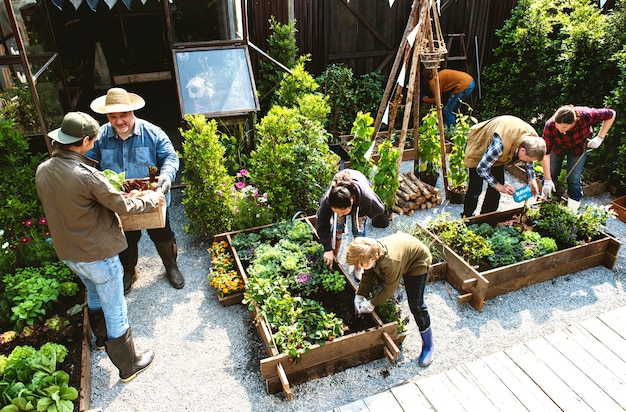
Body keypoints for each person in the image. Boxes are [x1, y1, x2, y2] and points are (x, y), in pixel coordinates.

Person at [36, 111, 163, 382]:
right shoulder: (86, 175)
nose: (95, 142)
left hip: (70, 253)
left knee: (93, 293)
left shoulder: (44, 169)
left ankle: (102, 339)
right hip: (97, 254)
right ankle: (129, 365)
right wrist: (151, 200)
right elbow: (123, 204)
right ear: (83, 141)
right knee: (115, 306)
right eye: (93, 139)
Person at [87, 87, 184, 293]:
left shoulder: (152, 132)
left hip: (150, 196)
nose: (119, 121)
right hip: (119, 199)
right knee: (125, 238)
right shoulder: (100, 136)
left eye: (123, 115)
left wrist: (166, 176)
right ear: (107, 116)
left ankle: (171, 266)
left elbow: (170, 157)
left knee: (161, 233)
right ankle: (130, 271)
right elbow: (88, 163)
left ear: (132, 112)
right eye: (113, 117)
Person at [346, 233, 434, 366]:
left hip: (417, 261)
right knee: (377, 278)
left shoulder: (390, 262)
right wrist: (360, 295)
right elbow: (367, 276)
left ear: (372, 259)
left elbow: (389, 290)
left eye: (360, 264)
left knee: (416, 305)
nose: (359, 266)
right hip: (402, 254)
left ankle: (428, 345)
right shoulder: (370, 253)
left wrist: (371, 303)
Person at [463, 115, 546, 217]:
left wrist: (532, 180)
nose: (528, 162)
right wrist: (500, 187)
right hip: (479, 146)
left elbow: (529, 160)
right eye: (528, 160)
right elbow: (482, 168)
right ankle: (467, 217)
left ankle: (487, 216)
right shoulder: (499, 146)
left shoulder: (532, 140)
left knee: (496, 186)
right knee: (475, 188)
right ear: (522, 150)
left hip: (499, 151)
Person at [541, 105, 616, 211]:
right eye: (557, 126)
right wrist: (548, 180)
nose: (559, 130)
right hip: (557, 147)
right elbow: (546, 154)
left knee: (574, 178)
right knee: (551, 172)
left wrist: (600, 137)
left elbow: (611, 114)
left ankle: (572, 211)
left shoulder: (586, 115)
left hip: (578, 148)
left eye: (563, 128)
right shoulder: (550, 125)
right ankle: (545, 203)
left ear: (573, 122)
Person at [316, 169, 384, 280]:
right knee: (337, 229)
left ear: (351, 202)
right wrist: (327, 248)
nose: (340, 214)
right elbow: (321, 221)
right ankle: (333, 255)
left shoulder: (367, 199)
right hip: (344, 191)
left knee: (359, 233)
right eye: (336, 211)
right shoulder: (329, 199)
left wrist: (363, 213)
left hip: (360, 205)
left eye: (342, 212)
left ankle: (359, 264)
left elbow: (380, 209)